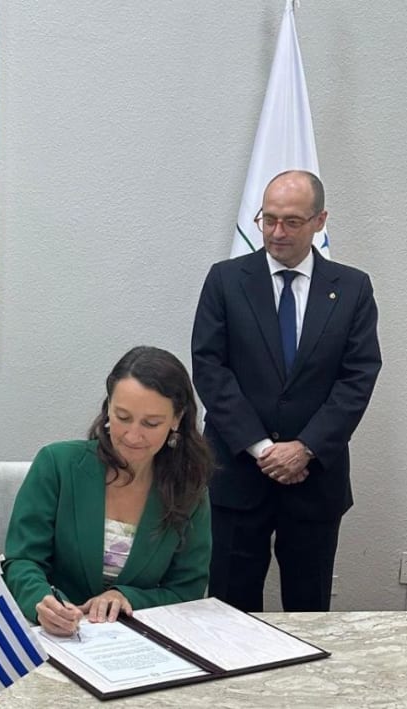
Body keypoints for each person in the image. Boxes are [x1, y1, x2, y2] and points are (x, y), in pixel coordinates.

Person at [191, 170, 381, 612]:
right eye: (269, 219)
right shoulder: (225, 280)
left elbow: (358, 376)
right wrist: (263, 449)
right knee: (229, 612)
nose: (277, 232)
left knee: (309, 608)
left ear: (320, 221)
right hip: (237, 474)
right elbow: (210, 368)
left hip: (314, 479)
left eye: (292, 221)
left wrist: (305, 448)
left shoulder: (352, 288)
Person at [4, 346, 214, 635]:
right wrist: (42, 602)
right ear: (108, 409)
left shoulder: (188, 489)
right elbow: (22, 560)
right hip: (54, 638)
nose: (133, 435)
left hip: (137, 641)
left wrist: (128, 598)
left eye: (151, 423)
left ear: (176, 419)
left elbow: (187, 590)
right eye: (122, 417)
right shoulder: (56, 464)